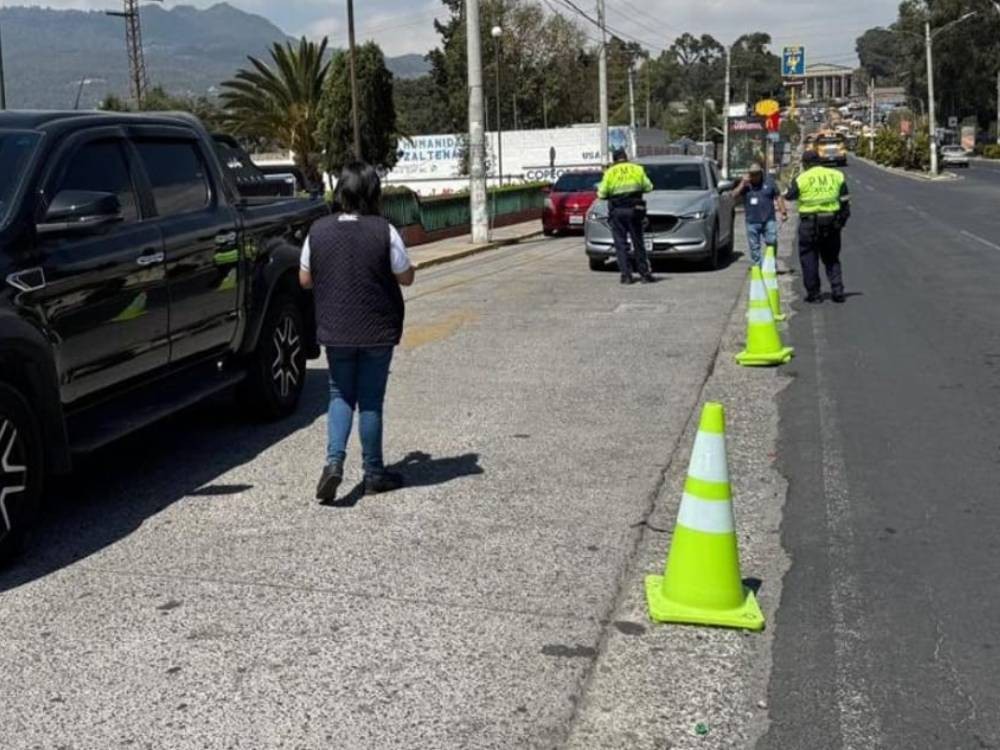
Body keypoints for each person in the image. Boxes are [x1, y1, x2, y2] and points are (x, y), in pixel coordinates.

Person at [299, 162, 416, 502]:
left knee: (339, 395)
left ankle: (333, 463)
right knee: (370, 402)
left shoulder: (318, 229)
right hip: (378, 330)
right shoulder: (384, 230)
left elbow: (304, 279)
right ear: (372, 193)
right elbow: (406, 277)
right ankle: (374, 473)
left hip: (335, 329)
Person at [784, 150, 850, 304]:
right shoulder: (837, 175)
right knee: (832, 258)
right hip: (832, 222)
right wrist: (841, 222)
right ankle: (838, 291)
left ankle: (814, 294)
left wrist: (791, 178)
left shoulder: (802, 178)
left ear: (805, 164)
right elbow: (845, 200)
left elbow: (789, 195)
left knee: (809, 258)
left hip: (809, 224)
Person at [597, 147, 656, 285]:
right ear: (626, 157)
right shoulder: (637, 169)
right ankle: (644, 275)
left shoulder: (610, 172)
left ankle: (626, 276)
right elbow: (649, 187)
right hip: (635, 209)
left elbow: (601, 194)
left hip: (618, 210)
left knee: (621, 244)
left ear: (614, 160)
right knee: (638, 242)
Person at [732, 163, 788, 267]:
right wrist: (742, 184)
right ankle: (757, 266)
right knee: (754, 246)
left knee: (772, 241)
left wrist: (783, 211)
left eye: (757, 174)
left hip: (768, 219)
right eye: (752, 174)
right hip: (752, 221)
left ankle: (771, 263)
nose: (754, 176)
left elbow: (778, 196)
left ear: (761, 174)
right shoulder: (746, 185)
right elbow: (733, 196)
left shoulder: (769, 183)